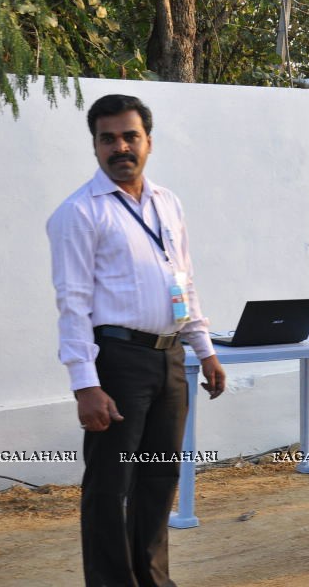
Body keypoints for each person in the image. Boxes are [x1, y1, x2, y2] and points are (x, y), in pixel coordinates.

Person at [47, 94, 226, 586]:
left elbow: (182, 281)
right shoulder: (80, 214)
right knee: (110, 485)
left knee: (158, 478)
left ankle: (152, 579)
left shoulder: (167, 203)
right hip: (117, 362)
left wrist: (203, 348)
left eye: (130, 136)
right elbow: (73, 304)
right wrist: (86, 385)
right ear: (95, 146)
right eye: (108, 139)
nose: (119, 147)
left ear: (148, 141)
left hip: (169, 359)